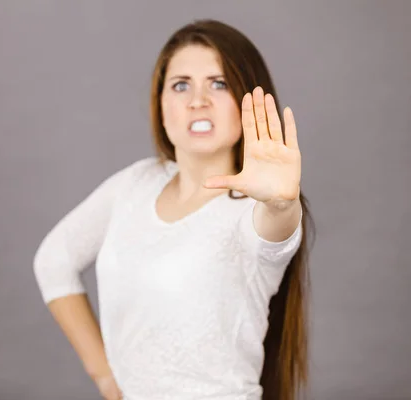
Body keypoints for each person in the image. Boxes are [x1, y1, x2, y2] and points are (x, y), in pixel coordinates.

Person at [33, 19, 315, 400]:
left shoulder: (254, 210)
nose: (197, 100)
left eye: (220, 83)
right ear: (161, 105)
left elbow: (276, 233)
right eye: (181, 85)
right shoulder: (135, 183)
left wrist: (282, 203)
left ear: (248, 101)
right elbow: (53, 261)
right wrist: (103, 374)